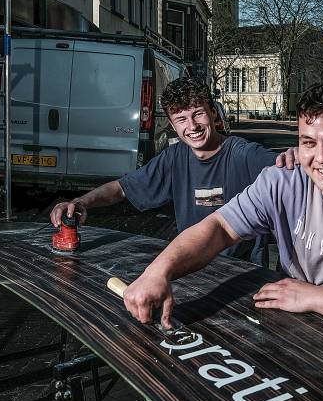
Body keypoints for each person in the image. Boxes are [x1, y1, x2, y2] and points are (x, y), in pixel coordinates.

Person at [123, 81, 323, 339]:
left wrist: (309, 296)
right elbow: (219, 227)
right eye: (308, 142)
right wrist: (158, 272)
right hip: (302, 334)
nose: (321, 158)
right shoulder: (285, 181)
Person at [50, 76, 292, 264]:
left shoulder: (243, 154)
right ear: (173, 125)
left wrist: (297, 156)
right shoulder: (174, 158)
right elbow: (122, 188)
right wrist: (81, 202)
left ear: (213, 114)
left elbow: (290, 169)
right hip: (192, 268)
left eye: (198, 114)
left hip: (242, 273)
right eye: (182, 119)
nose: (192, 126)